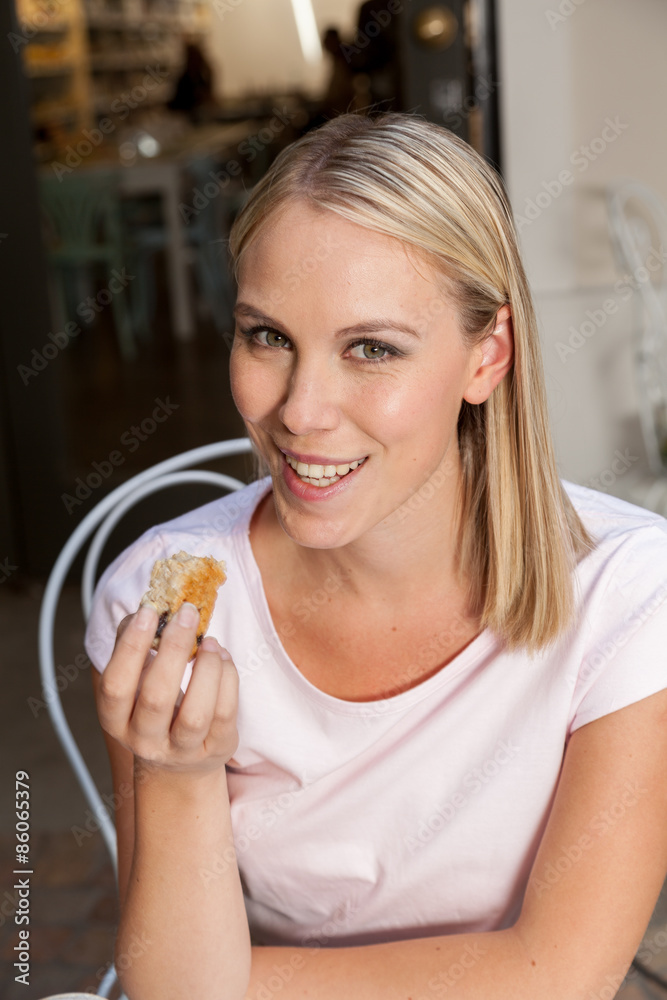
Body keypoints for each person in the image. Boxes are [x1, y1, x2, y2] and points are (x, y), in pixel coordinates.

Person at [86, 112, 667, 1000]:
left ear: (488, 356)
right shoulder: (167, 609)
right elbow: (168, 984)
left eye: (371, 349)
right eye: (267, 336)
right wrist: (176, 770)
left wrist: (229, 980)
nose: (301, 411)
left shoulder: (630, 594)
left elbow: (559, 975)